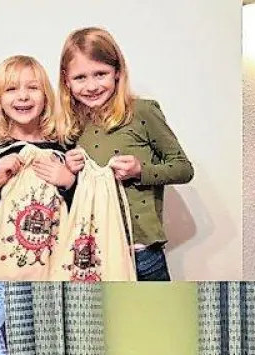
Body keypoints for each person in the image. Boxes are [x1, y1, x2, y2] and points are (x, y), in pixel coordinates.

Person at [59, 27, 194, 281]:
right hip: (94, 256)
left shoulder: (142, 112)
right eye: (80, 78)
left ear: (117, 72)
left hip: (142, 254)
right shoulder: (73, 127)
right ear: (66, 80)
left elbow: (183, 168)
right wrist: (69, 171)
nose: (91, 86)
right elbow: (75, 199)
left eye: (101, 74)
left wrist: (140, 171)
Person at [0, 55, 77, 233]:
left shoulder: (64, 149)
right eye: (11, 89)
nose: (23, 96)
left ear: (45, 97)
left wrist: (69, 183)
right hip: (1, 259)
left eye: (33, 88)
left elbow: (84, 215)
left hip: (54, 258)